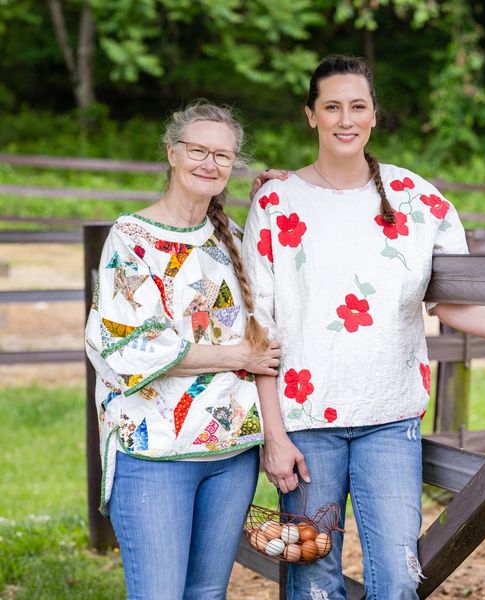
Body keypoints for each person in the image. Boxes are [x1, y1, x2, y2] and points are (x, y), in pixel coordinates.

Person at [241, 55, 485, 600]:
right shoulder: (277, 203)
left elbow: (455, 305)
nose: (344, 119)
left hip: (390, 420)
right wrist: (274, 436)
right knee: (311, 578)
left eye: (357, 106)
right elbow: (261, 327)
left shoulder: (419, 202)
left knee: (397, 578)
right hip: (305, 424)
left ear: (374, 115)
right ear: (311, 116)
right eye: (331, 107)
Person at [85, 100, 280, 600]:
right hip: (155, 454)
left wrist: (283, 198)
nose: (209, 163)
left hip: (230, 451)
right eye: (197, 150)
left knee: (207, 594)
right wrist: (239, 355)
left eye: (223, 155)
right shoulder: (131, 238)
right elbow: (127, 347)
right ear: (172, 153)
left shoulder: (231, 237)